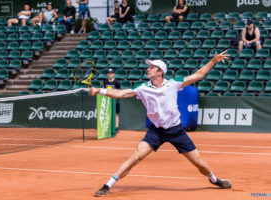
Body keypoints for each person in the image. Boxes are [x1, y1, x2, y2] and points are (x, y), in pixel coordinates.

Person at [90, 51, 232, 197]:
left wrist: (213, 61)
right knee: (136, 157)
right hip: (156, 131)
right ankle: (108, 185)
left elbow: (198, 75)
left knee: (198, 162)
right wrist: (99, 90)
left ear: (160, 72)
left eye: (151, 67)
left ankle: (214, 179)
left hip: (176, 130)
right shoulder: (143, 88)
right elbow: (121, 94)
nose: (147, 69)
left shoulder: (173, 84)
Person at [103, 68, 121, 133]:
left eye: (111, 73)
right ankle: (108, 127)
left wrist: (113, 93)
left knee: (116, 114)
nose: (110, 74)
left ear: (113, 74)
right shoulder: (105, 82)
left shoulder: (117, 82)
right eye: (109, 73)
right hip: (107, 100)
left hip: (115, 101)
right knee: (108, 114)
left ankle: (116, 128)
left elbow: (119, 91)